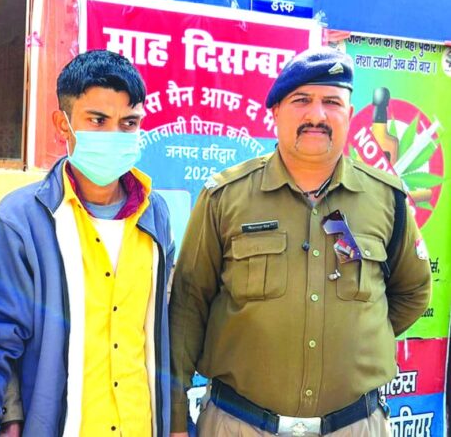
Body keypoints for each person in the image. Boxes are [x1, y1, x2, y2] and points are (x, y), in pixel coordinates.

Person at [169, 47, 431, 436]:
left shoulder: (386, 198)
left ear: (349, 113)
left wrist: (356, 336)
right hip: (239, 424)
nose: (317, 115)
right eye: (302, 100)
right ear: (275, 112)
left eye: (331, 102)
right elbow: (188, 307)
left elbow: (412, 292)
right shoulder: (225, 197)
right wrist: (175, 418)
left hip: (354, 426)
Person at [0, 50, 175, 436]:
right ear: (62, 125)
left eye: (129, 123)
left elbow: (160, 330)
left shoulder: (155, 216)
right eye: (97, 121)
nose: (114, 136)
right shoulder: (21, 220)